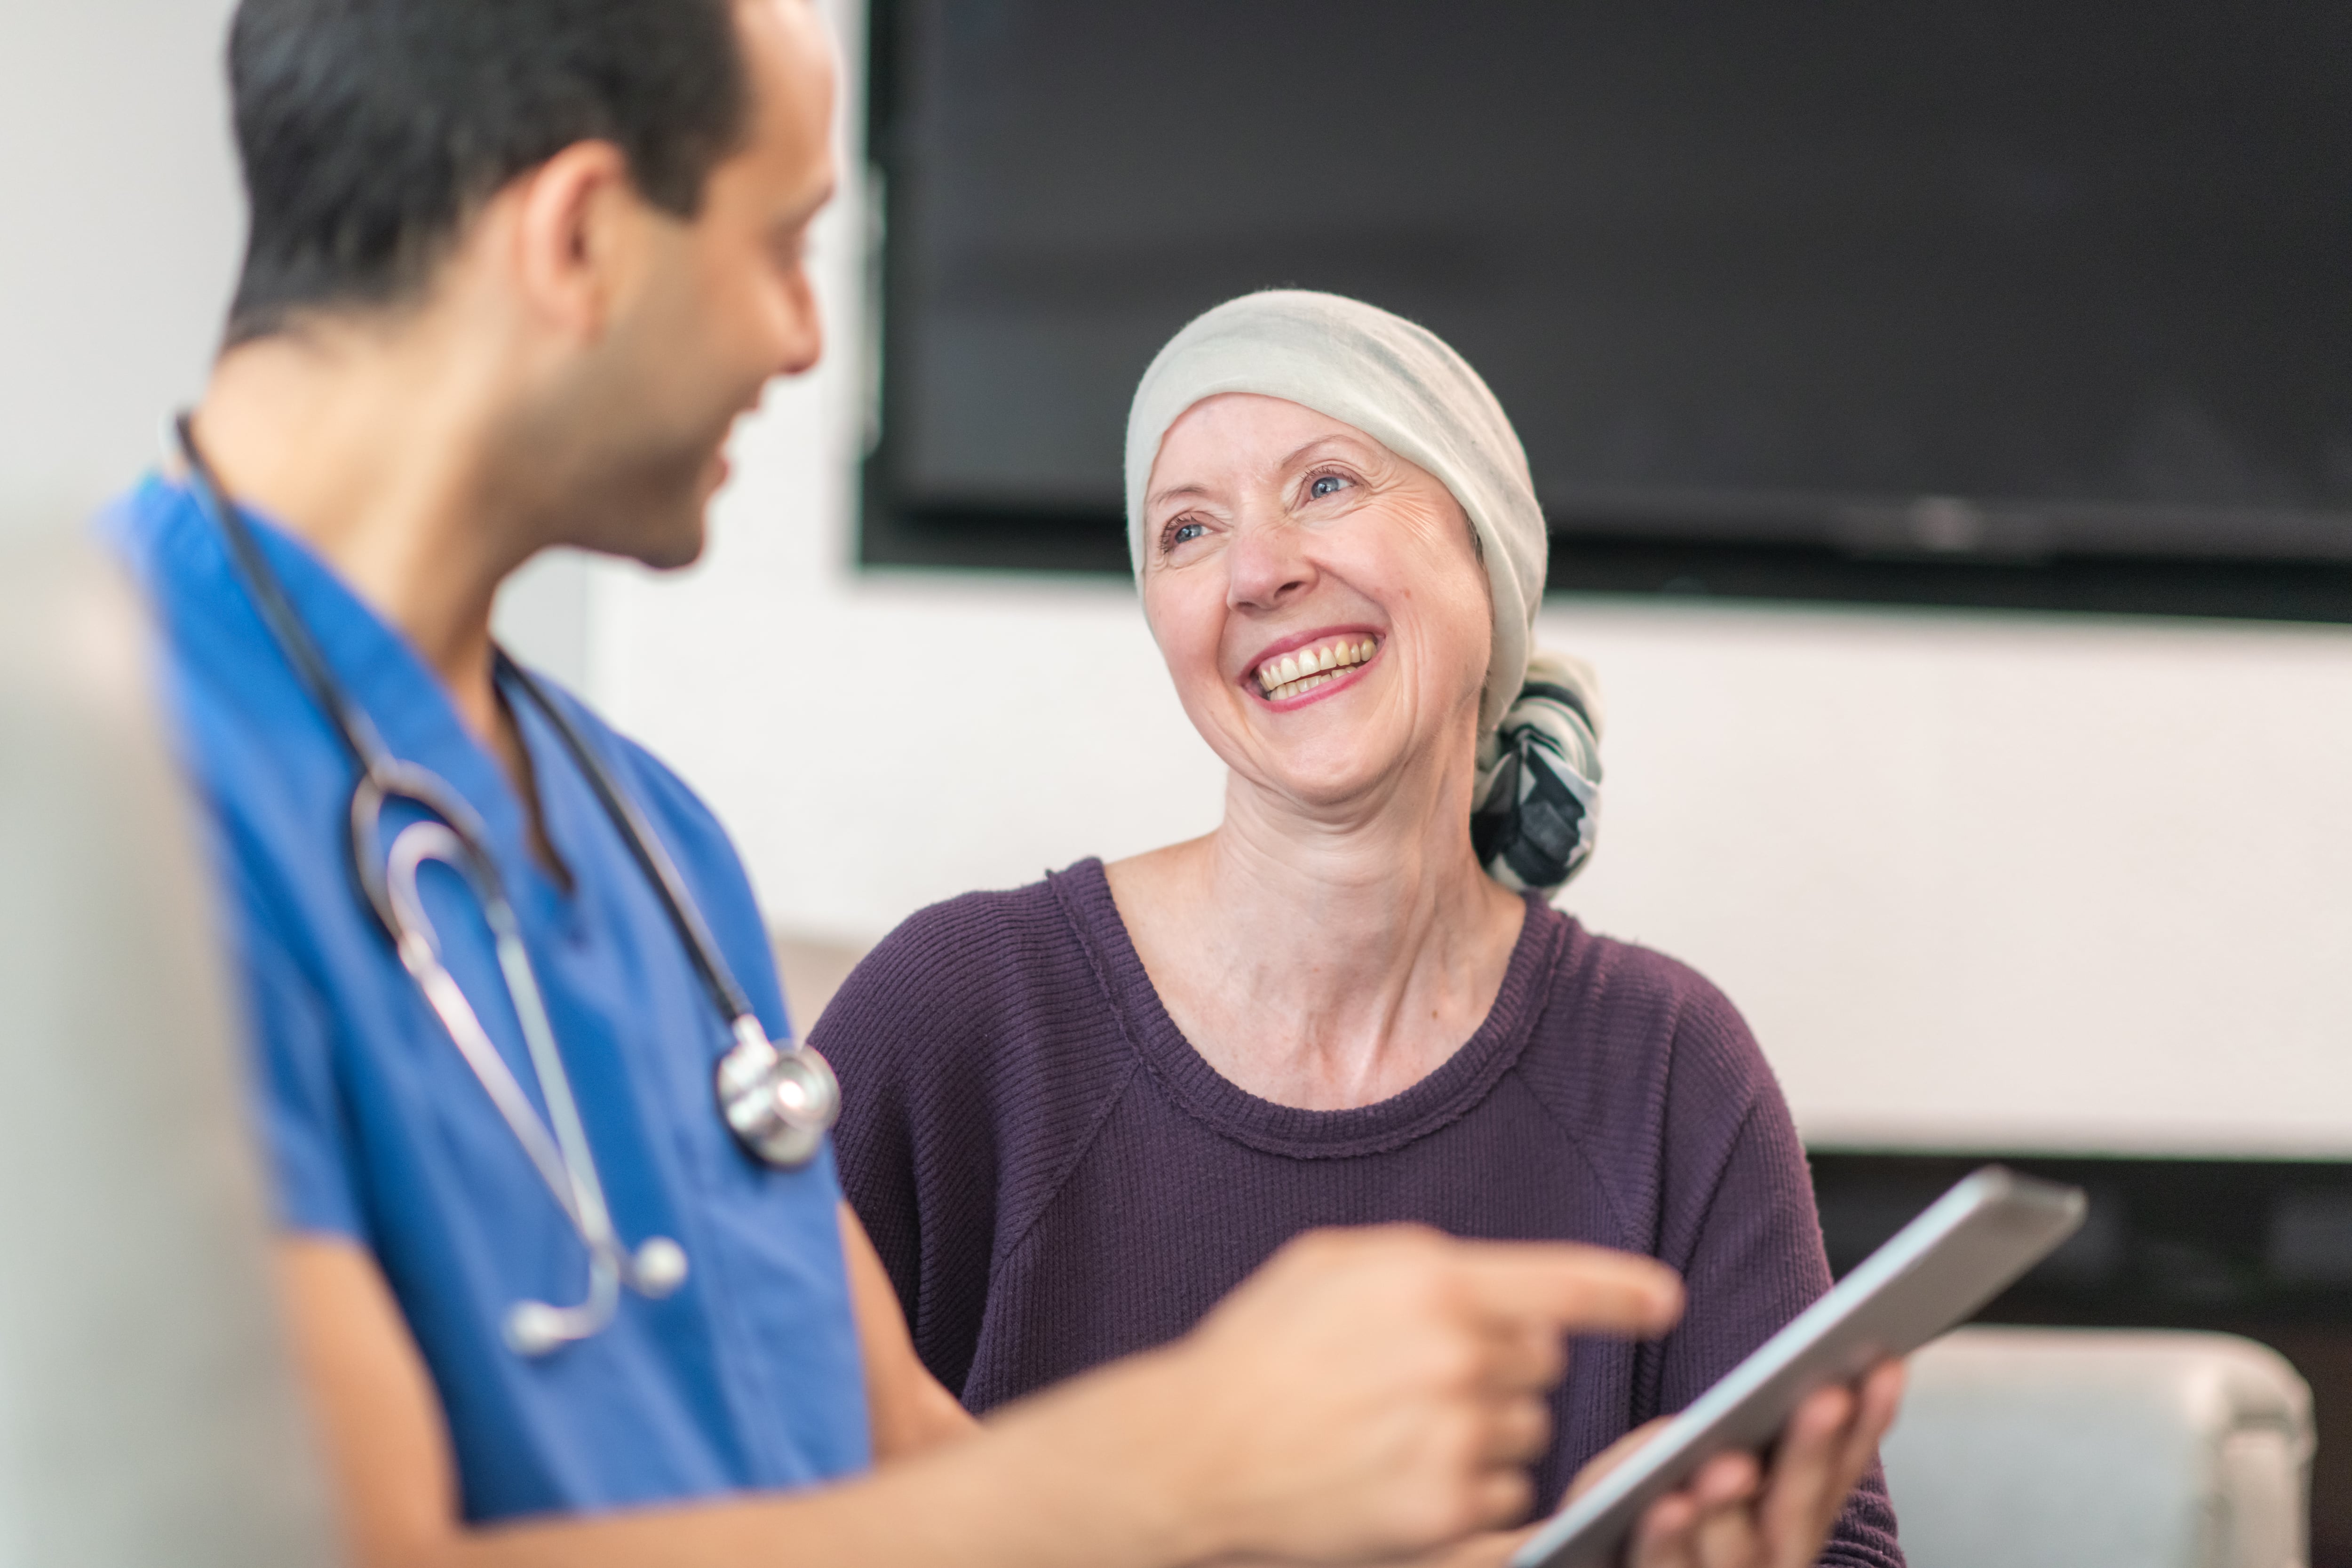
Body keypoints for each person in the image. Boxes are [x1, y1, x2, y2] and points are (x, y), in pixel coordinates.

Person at [85, 2, 1775, 1565]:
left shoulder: (641, 844)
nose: (811, 342)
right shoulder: (93, 772)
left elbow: (893, 1459)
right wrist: (1201, 1450)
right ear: (582, 239)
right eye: (782, 246)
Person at [819, 291, 1908, 1568]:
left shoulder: (1669, 1063)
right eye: (1186, 530)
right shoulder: (957, 1014)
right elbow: (741, 1495)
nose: (1258, 570)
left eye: (1327, 485)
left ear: (1484, 557)